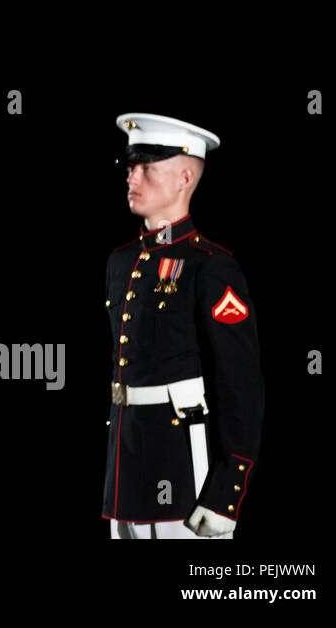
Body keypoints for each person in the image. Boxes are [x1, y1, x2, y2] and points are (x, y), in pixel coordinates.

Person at [105, 113, 262, 539]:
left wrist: (227, 491)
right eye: (131, 166)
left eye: (147, 168)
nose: (132, 177)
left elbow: (240, 385)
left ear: (185, 176)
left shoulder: (210, 267)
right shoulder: (122, 263)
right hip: (126, 458)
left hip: (184, 466)